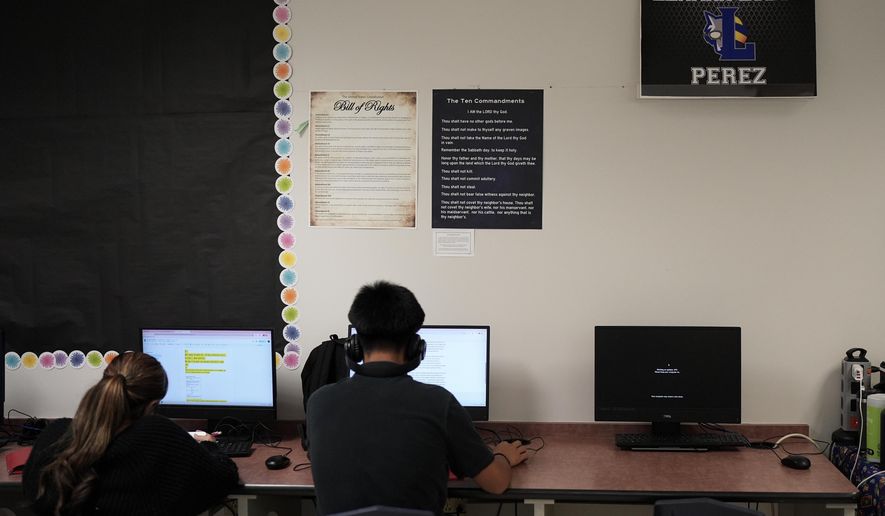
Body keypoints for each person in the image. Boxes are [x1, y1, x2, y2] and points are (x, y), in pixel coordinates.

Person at [307, 281, 528, 515]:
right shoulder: (438, 403)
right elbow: (496, 483)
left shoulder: (319, 402)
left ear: (354, 347)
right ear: (416, 347)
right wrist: (503, 455)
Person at [23, 351, 239, 516]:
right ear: (153, 404)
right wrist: (210, 445)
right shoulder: (158, 435)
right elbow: (223, 478)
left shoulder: (54, 434)